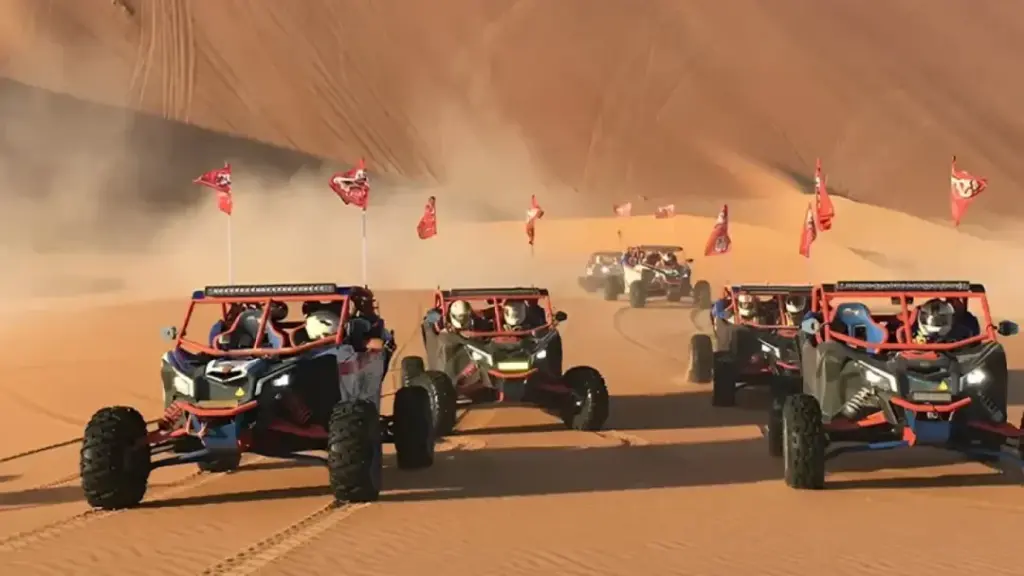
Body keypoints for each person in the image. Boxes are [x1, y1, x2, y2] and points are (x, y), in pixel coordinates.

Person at [912, 298, 977, 343]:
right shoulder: (911, 331)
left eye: (940, 320)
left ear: (951, 319)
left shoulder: (963, 333)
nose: (933, 322)